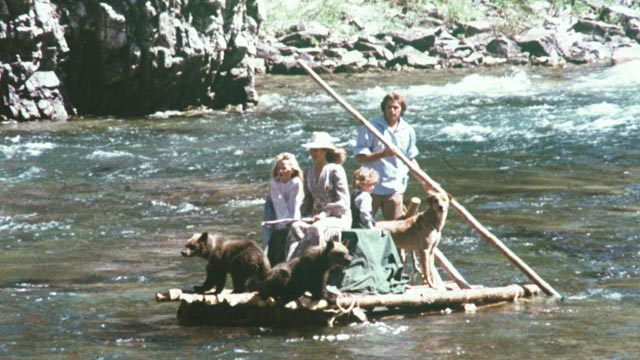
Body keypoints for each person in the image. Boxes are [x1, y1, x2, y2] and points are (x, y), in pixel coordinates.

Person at [354, 91, 421, 220]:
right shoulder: (371, 127)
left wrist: (424, 182)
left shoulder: (408, 130)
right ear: (384, 108)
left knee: (396, 231)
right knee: (362, 227)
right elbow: (360, 157)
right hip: (371, 188)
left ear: (402, 110)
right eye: (389, 107)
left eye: (396, 107)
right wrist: (383, 154)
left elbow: (411, 158)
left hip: (395, 188)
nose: (392, 111)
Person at [286, 131, 352, 259]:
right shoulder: (308, 171)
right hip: (315, 217)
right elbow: (307, 201)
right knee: (295, 226)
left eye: (316, 150)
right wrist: (302, 217)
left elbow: (343, 203)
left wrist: (323, 215)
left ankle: (304, 264)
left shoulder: (335, 169)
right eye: (311, 150)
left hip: (337, 217)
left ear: (325, 151)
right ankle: (290, 262)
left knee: (315, 229)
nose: (313, 154)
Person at [262, 153, 304, 247]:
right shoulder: (274, 183)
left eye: (284, 168)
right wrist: (285, 224)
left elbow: (295, 203)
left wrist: (293, 222)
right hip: (276, 216)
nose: (280, 171)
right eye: (278, 168)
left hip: (294, 215)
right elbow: (279, 203)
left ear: (292, 170)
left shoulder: (296, 183)